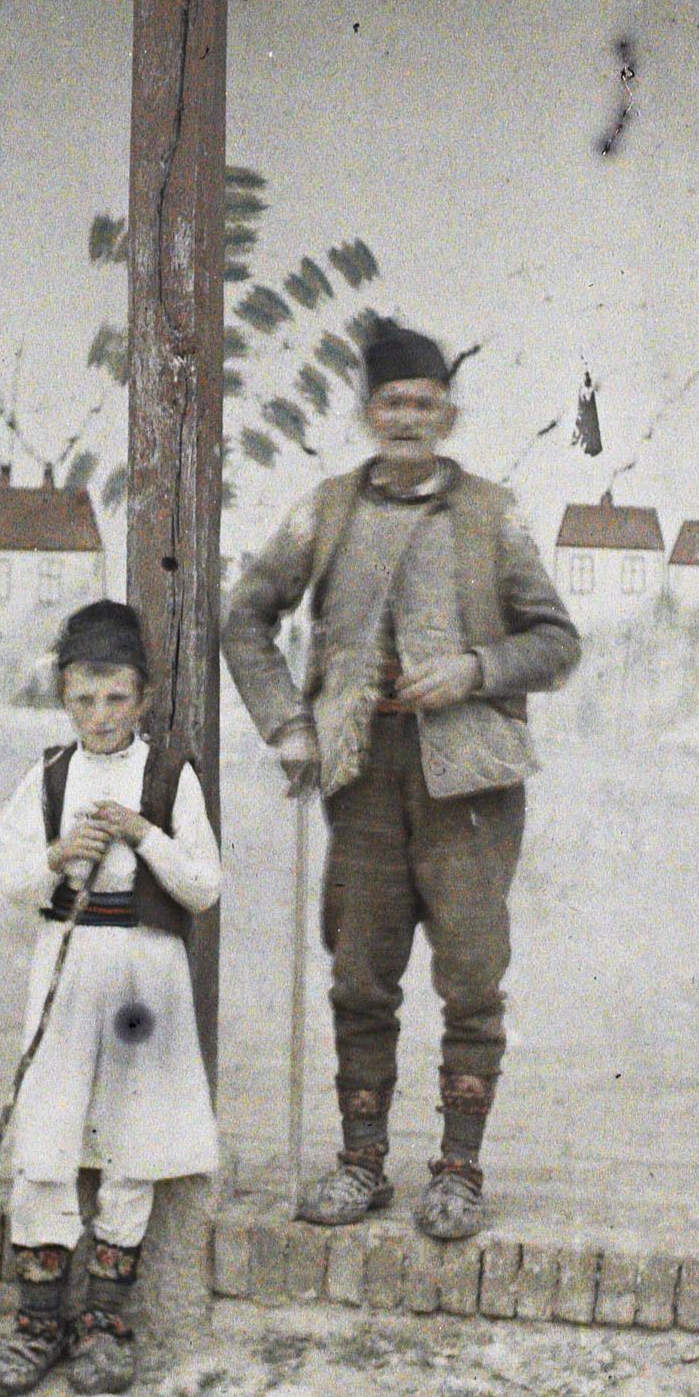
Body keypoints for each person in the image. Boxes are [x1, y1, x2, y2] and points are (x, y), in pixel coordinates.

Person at [221, 319, 580, 1241]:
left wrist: (472, 669)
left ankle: (458, 1171)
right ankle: (360, 1164)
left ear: (447, 416)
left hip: (470, 782)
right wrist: (289, 724)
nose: (407, 418)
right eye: (391, 403)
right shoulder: (327, 509)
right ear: (367, 412)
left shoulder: (492, 513)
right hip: (360, 772)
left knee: (470, 979)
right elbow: (246, 619)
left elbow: (556, 642)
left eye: (423, 404)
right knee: (360, 975)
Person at [0, 599, 221, 1397]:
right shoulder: (49, 775)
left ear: (142, 698)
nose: (101, 716)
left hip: (145, 976)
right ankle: (37, 1320)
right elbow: (7, 878)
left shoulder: (167, 774)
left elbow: (202, 887)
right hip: (67, 962)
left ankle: (105, 1321)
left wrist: (143, 834)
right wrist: (59, 853)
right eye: (84, 699)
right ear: (63, 698)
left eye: (117, 699)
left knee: (132, 1137)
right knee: (46, 1131)